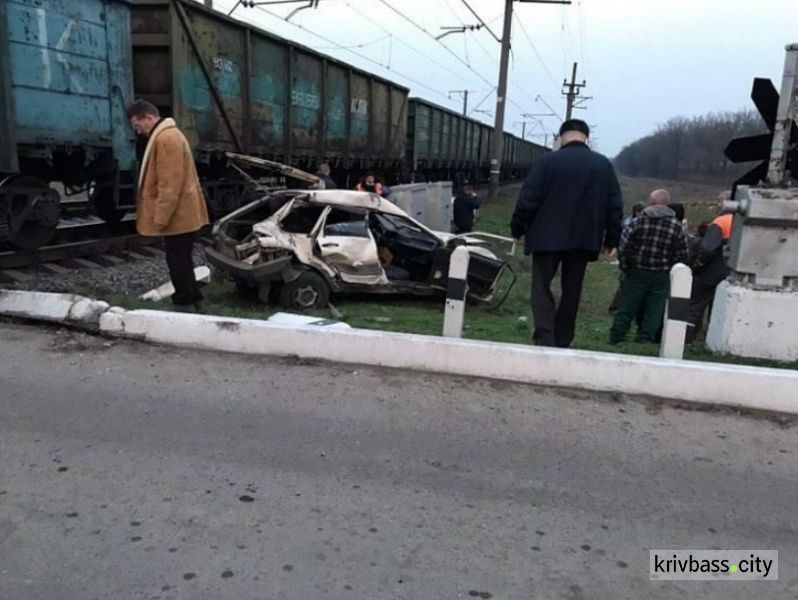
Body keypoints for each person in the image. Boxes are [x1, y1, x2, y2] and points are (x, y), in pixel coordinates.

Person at [511, 119, 623, 348]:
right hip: (583, 239)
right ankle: (563, 339)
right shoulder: (602, 165)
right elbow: (615, 205)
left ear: (562, 137)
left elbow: (528, 199)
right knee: (572, 291)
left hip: (545, 237)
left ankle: (544, 336)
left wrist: (518, 228)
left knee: (540, 287)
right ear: (586, 137)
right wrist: (612, 239)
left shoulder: (547, 162)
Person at [127, 99, 209, 312]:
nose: (139, 132)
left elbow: (169, 184)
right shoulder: (168, 135)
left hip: (177, 215)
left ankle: (184, 304)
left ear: (149, 117)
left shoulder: (166, 138)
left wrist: (161, 217)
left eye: (138, 125)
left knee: (177, 260)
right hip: (181, 212)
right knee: (182, 257)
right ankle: (194, 298)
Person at [609, 189, 690, 343]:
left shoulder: (637, 222)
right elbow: (683, 253)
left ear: (651, 202)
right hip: (661, 274)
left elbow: (624, 246)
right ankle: (644, 338)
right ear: (667, 204)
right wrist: (669, 263)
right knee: (655, 309)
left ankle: (617, 336)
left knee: (627, 306)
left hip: (637, 270)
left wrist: (626, 266)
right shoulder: (676, 226)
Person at [686, 220, 730, 342]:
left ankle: (689, 336)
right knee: (719, 308)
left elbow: (708, 249)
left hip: (709, 273)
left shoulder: (721, 222)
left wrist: (698, 265)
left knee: (695, 306)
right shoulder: (743, 220)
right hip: (729, 274)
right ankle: (714, 338)